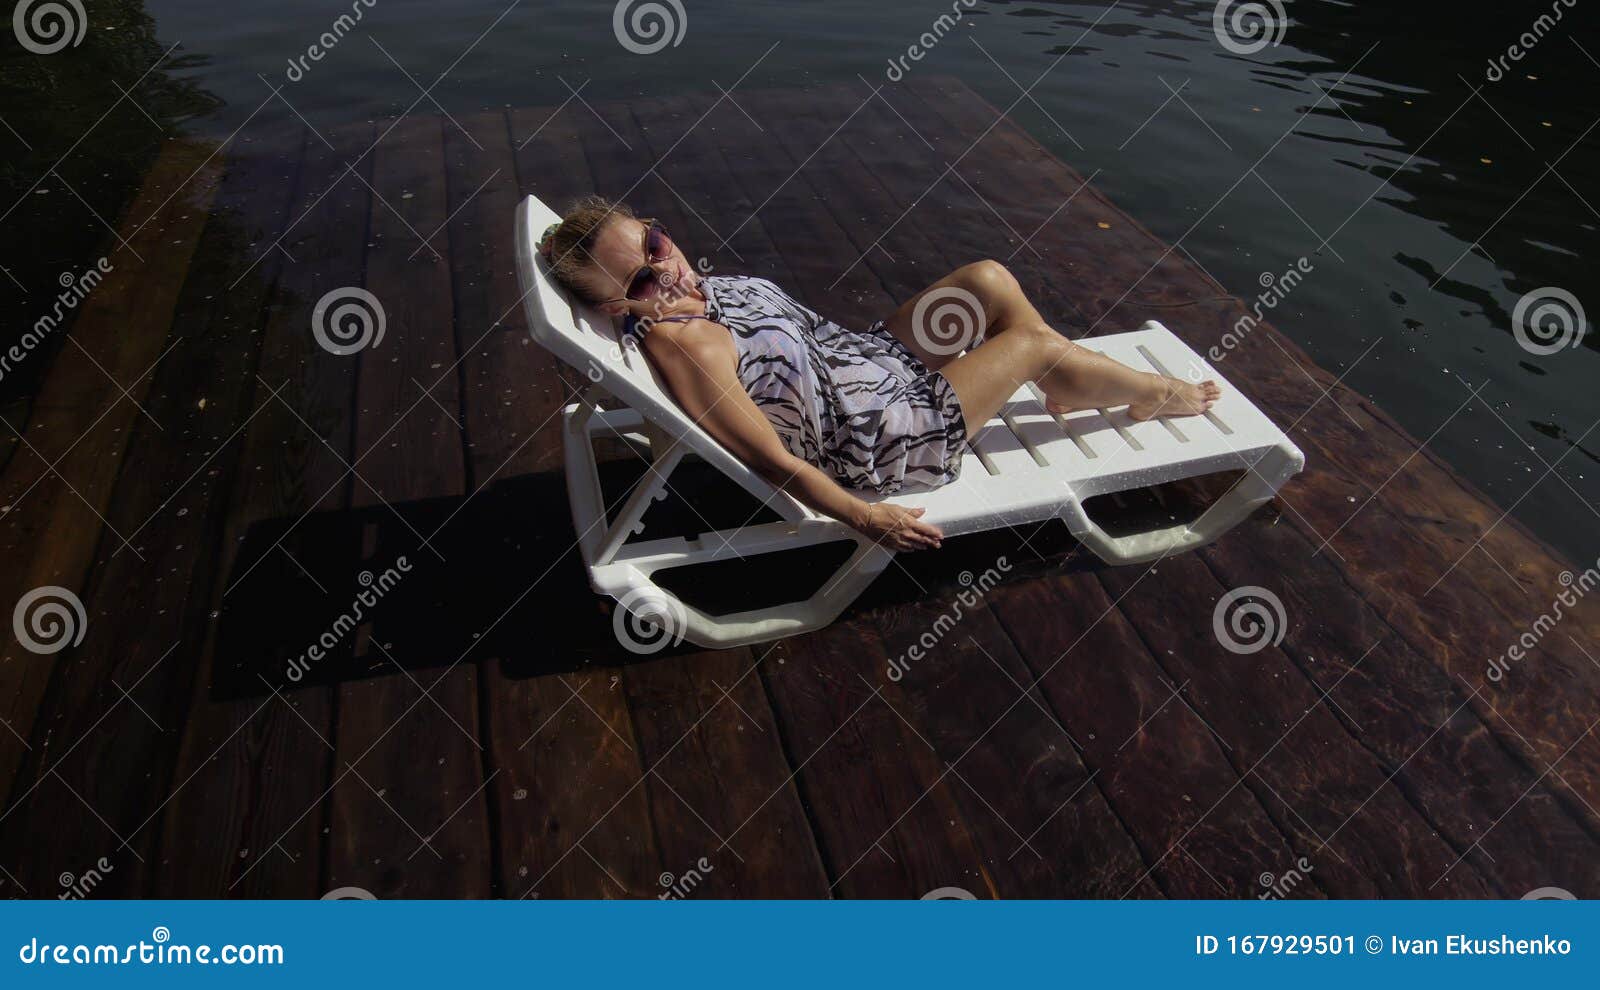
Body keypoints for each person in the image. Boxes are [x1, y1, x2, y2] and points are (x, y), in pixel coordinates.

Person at [539, 197, 1219, 552]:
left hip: (867, 363)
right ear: (613, 306)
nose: (669, 273)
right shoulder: (688, 349)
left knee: (986, 280)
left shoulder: (691, 295)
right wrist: (863, 516)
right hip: (887, 434)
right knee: (1035, 342)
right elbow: (768, 460)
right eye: (642, 280)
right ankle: (1152, 393)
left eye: (657, 244)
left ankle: (1068, 379)